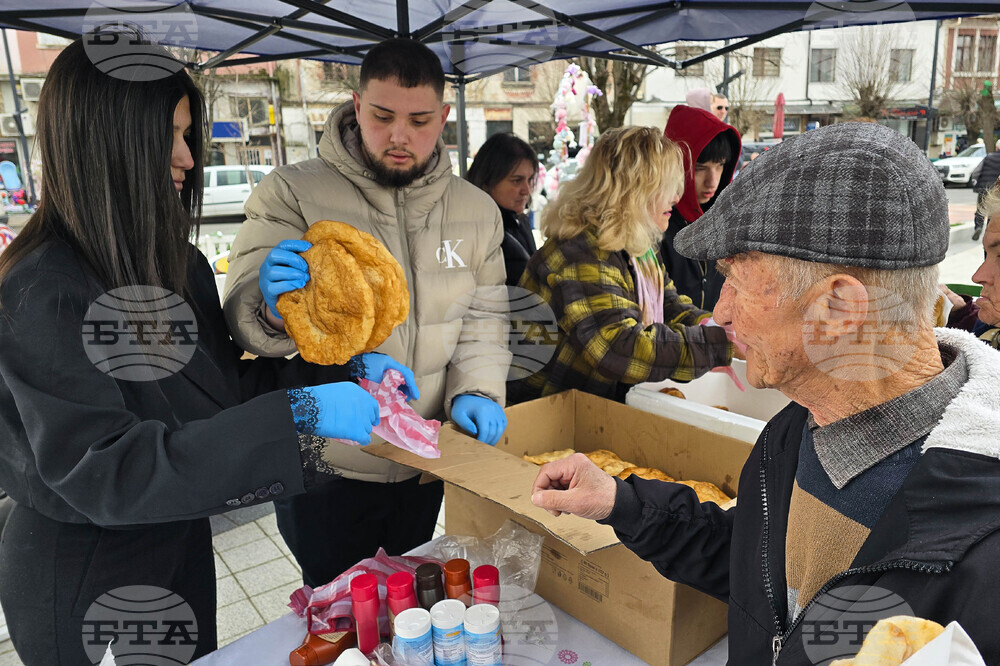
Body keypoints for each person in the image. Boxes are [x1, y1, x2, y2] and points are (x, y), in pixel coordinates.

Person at [0, 34, 418, 664]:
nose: (187, 158)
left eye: (187, 135)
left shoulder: (179, 265)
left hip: (181, 539)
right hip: (89, 570)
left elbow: (220, 394)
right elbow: (109, 470)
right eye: (169, 136)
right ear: (106, 142)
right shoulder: (41, 290)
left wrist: (341, 377)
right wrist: (299, 414)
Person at [530, 123, 1000, 663]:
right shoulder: (797, 427)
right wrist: (621, 502)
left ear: (838, 309)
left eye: (738, 282)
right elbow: (759, 564)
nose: (722, 311)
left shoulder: (981, 547)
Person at [223, 39, 511, 589]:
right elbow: (246, 326)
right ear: (356, 107)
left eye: (419, 121)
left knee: (410, 598)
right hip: (326, 464)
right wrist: (270, 308)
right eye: (382, 116)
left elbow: (484, 318)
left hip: (425, 459)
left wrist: (477, 390)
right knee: (336, 607)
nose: (399, 136)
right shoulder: (293, 193)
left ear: (443, 118)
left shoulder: (476, 210)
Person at [508, 126, 732, 405]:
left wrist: (720, 325)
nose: (676, 197)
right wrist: (717, 343)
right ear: (630, 190)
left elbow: (670, 305)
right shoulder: (579, 251)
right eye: (665, 186)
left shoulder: (636, 244)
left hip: (594, 407)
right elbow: (617, 346)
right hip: (548, 414)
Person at [660, 105, 741, 310]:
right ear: (676, 167)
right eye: (700, 168)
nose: (712, 181)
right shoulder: (658, 223)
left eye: (720, 165)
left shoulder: (727, 222)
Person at [466, 133, 538, 286]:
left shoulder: (519, 221)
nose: (526, 190)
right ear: (487, 181)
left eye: (530, 179)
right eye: (516, 180)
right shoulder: (475, 233)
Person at [969, 140, 1000, 241]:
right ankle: (988, 231)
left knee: (980, 209)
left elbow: (976, 171)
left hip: (984, 187)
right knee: (993, 212)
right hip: (996, 190)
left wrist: (975, 182)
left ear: (996, 147)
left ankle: (978, 227)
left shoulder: (988, 157)